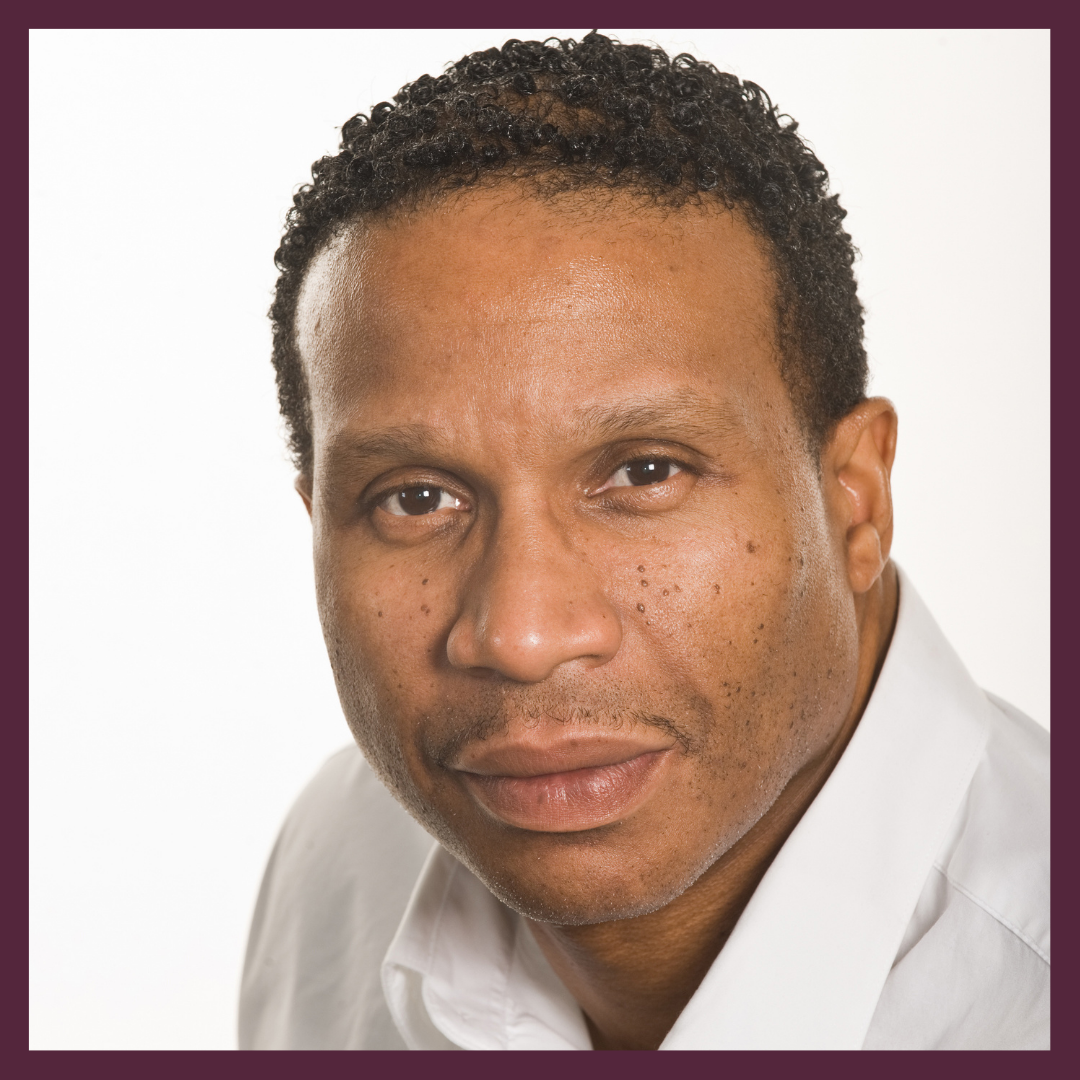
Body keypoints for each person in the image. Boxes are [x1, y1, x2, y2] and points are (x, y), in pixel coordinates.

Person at [238, 33, 1049, 1050]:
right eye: (416, 498)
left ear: (855, 499)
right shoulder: (348, 857)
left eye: (646, 472)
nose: (523, 637)